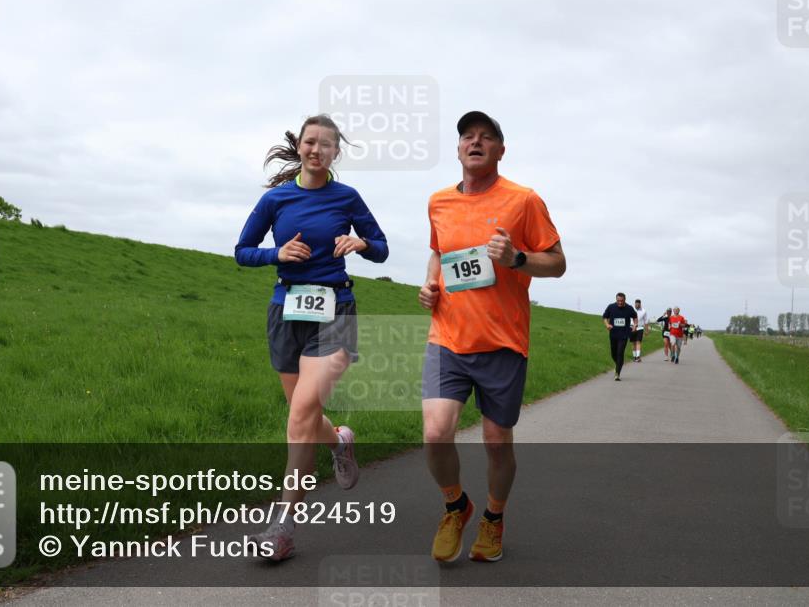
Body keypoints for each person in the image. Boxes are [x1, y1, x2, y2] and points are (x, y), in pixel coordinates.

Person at [235, 114, 388, 561]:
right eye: (310, 142)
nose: (316, 150)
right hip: (286, 310)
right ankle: (340, 440)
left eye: (326, 144)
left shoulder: (347, 197)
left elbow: (380, 247)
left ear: (336, 153)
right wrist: (276, 253)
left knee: (300, 413)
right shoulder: (277, 200)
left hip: (335, 309)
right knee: (305, 417)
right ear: (299, 147)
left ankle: (281, 527)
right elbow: (242, 251)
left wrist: (360, 244)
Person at [418, 111, 566, 563]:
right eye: (467, 136)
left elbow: (557, 262)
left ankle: (494, 517)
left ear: (501, 150)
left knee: (497, 442)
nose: (475, 142)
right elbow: (439, 254)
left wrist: (518, 258)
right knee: (436, 433)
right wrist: (430, 286)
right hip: (447, 337)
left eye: (486, 137)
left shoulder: (524, 200)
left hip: (502, 342)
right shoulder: (439, 202)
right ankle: (455, 505)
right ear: (459, 148)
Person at [603, 293, 638, 380]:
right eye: (618, 301)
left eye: (622, 301)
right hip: (613, 334)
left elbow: (635, 317)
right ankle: (618, 364)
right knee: (613, 353)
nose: (620, 302)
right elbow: (604, 317)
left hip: (624, 334)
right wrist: (607, 324)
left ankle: (617, 373)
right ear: (616, 299)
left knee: (620, 353)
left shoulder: (629, 308)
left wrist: (635, 325)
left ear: (625, 300)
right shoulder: (611, 307)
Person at [630, 298, 649, 362]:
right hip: (632, 327)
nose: (637, 305)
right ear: (634, 304)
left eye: (638, 304)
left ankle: (638, 357)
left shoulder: (644, 311)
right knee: (633, 343)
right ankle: (634, 357)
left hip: (640, 328)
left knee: (638, 341)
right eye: (636, 304)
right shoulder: (631, 309)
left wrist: (646, 330)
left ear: (640, 304)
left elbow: (646, 321)